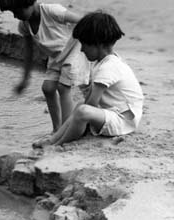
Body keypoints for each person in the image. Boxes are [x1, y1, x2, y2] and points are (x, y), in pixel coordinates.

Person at [32, 11, 144, 147]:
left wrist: (80, 118)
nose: (82, 50)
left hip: (123, 121)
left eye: (85, 44)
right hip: (115, 113)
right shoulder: (103, 62)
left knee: (82, 111)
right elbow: (89, 98)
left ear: (99, 44)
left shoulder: (108, 67)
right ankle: (53, 139)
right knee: (80, 106)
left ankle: (58, 144)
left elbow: (91, 103)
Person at [0, 0, 90, 133]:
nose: (15, 16)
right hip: (55, 58)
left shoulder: (52, 11)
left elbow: (83, 21)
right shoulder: (24, 26)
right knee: (47, 88)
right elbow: (28, 53)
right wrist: (25, 79)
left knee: (63, 88)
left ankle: (66, 130)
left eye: (16, 11)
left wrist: (87, 43)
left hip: (74, 51)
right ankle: (57, 129)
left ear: (28, 2)